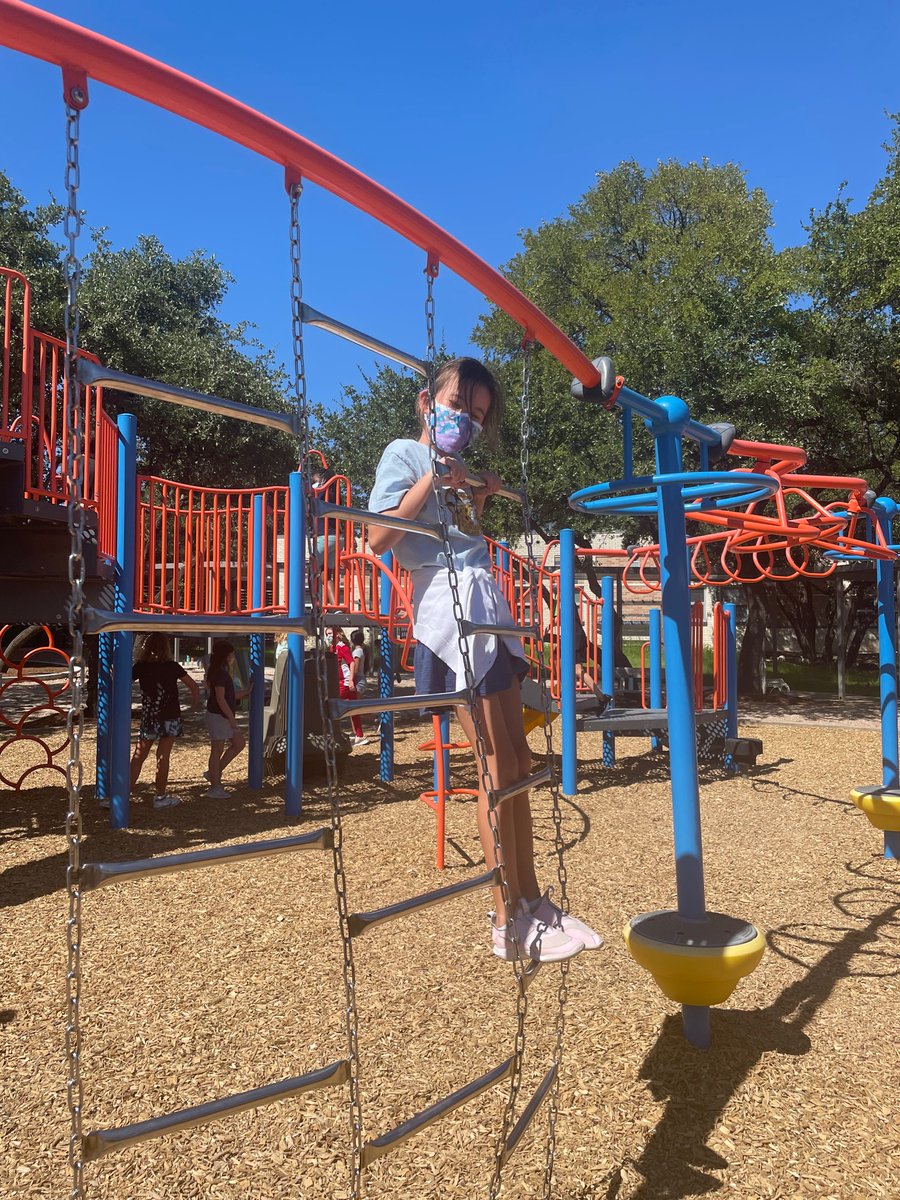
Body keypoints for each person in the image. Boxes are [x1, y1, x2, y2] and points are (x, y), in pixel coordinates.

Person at [368, 356, 602, 963]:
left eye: (475, 416)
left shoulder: (458, 465)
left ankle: (532, 899)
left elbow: (462, 534)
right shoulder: (404, 455)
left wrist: (480, 496)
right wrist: (435, 480)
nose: (464, 422)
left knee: (517, 758)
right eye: (456, 407)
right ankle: (506, 917)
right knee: (495, 765)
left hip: (482, 607)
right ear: (428, 403)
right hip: (449, 619)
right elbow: (378, 538)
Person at [130, 632, 201, 809]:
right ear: (166, 647)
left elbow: (123, 683)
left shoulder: (140, 666)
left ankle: (123, 794)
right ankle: (160, 797)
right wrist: (193, 705)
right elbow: (193, 686)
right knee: (163, 756)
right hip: (170, 716)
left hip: (150, 716)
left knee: (139, 756)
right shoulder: (173, 666)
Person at [204, 639, 252, 798]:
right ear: (226, 655)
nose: (233, 657)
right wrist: (231, 718)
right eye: (231, 654)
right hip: (219, 716)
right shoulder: (219, 673)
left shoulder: (219, 672)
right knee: (217, 750)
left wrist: (245, 692)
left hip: (221, 715)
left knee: (239, 743)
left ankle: (214, 774)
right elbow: (220, 699)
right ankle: (215, 787)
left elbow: (227, 696)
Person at [334, 629, 369, 748]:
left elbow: (354, 666)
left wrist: (349, 680)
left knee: (354, 708)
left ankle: (360, 734)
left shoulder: (356, 652)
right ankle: (358, 734)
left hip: (356, 681)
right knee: (353, 709)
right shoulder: (359, 650)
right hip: (356, 681)